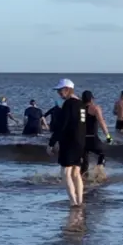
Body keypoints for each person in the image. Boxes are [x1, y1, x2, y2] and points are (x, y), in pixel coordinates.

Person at [47, 79, 86, 207]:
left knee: (66, 173)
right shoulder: (81, 104)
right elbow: (83, 124)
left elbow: (62, 125)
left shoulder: (68, 104)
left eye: (60, 90)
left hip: (69, 141)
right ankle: (80, 201)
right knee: (76, 172)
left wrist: (51, 142)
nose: (59, 93)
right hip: (80, 142)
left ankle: (73, 202)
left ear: (67, 90)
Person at [80, 90, 112, 178]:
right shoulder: (95, 108)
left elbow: (80, 124)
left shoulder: (80, 109)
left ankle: (82, 181)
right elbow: (101, 122)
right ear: (91, 99)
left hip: (82, 139)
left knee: (84, 163)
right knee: (102, 152)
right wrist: (108, 136)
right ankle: (99, 172)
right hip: (92, 138)